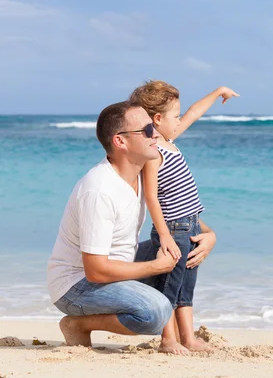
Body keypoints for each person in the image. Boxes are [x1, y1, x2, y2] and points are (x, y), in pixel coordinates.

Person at [47, 100, 179, 347]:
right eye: (148, 130)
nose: (157, 134)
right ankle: (77, 324)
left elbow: (176, 206)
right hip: (76, 285)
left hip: (115, 266)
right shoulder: (99, 190)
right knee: (155, 313)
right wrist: (155, 267)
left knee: (182, 244)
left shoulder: (139, 172)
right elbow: (96, 270)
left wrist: (207, 234)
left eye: (155, 127)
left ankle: (176, 338)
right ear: (120, 141)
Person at [130, 81, 238, 354]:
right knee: (168, 286)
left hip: (190, 225)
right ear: (157, 119)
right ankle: (168, 340)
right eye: (174, 117)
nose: (179, 121)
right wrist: (164, 234)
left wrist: (216, 92)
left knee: (185, 289)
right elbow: (152, 197)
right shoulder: (154, 151)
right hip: (173, 230)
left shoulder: (169, 138)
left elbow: (193, 112)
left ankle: (188, 338)